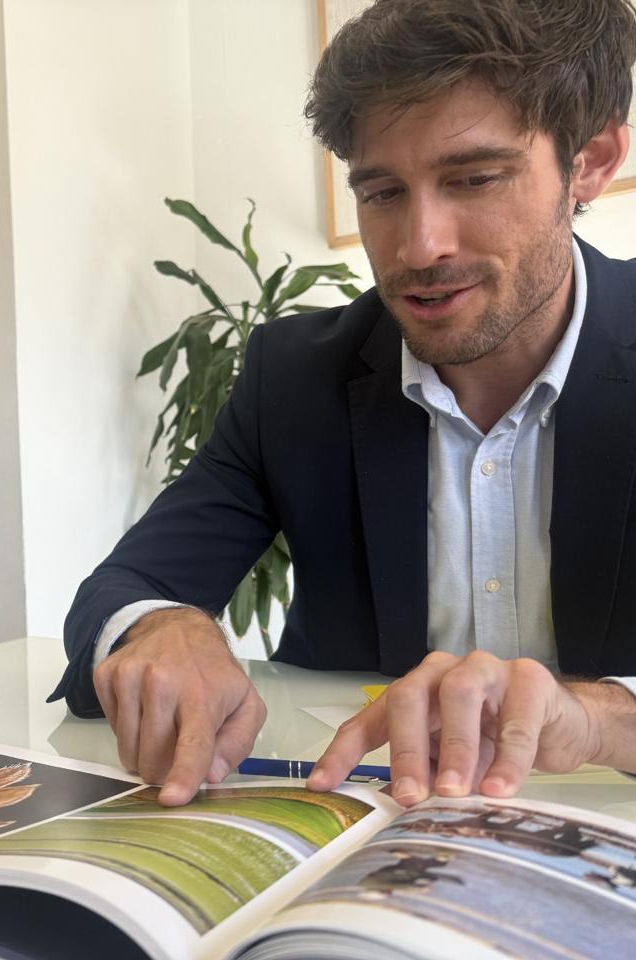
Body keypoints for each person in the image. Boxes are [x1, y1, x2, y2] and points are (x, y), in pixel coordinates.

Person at [53, 0, 636, 808]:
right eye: (383, 191)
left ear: (592, 162)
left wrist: (602, 719)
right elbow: (123, 590)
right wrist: (162, 627)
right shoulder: (294, 378)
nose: (419, 245)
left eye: (475, 179)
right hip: (358, 824)